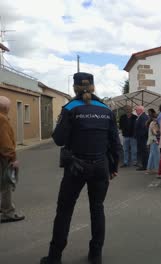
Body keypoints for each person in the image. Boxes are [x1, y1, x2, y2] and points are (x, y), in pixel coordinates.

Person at [40, 72, 121, 264]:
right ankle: (96, 255)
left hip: (76, 166)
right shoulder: (106, 110)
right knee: (97, 208)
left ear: (75, 88)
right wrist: (114, 166)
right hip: (101, 166)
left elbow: (58, 139)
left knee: (65, 210)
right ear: (92, 87)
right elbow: (115, 142)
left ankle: (55, 256)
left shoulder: (70, 108)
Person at [0, 96, 25, 224]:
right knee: (7, 184)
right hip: (3, 157)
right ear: (5, 107)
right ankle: (8, 212)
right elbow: (5, 142)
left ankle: (3, 208)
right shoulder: (2, 119)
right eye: (9, 106)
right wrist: (13, 158)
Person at [135, 106, 149, 171]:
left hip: (142, 138)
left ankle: (144, 166)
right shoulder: (142, 116)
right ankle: (144, 165)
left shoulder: (143, 117)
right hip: (142, 138)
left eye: (136, 110)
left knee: (144, 152)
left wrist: (140, 136)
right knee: (144, 152)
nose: (136, 111)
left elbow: (144, 128)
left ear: (140, 110)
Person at [146, 110, 160, 175]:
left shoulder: (151, 122)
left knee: (152, 155)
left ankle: (149, 169)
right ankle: (154, 169)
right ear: (155, 118)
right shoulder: (153, 123)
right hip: (154, 140)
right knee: (154, 155)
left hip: (151, 140)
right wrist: (158, 131)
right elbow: (154, 133)